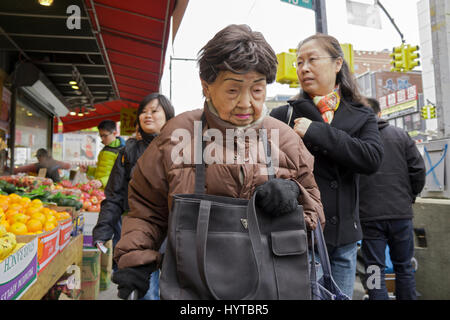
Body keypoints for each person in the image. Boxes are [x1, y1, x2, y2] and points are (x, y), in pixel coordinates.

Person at [111, 24, 325, 300]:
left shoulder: (285, 138)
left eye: (257, 90)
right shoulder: (178, 134)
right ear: (206, 86)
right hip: (194, 287)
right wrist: (135, 259)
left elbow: (315, 214)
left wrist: (295, 194)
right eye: (233, 91)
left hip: (273, 287)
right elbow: (146, 209)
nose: (246, 103)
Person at [270, 33, 384, 298]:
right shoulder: (283, 115)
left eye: (312, 60)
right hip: (301, 236)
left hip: (345, 239)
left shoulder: (362, 113)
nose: (303, 68)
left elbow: (371, 159)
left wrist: (317, 132)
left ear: (337, 64)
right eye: (299, 62)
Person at [92, 92, 175, 300]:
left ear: (168, 116)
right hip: (139, 232)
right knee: (147, 293)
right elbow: (114, 196)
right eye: (143, 112)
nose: (147, 115)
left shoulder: (182, 150)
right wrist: (103, 229)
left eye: (154, 111)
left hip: (176, 231)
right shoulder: (127, 153)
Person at [359, 97, 425, 300]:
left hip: (368, 215)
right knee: (404, 266)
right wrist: (409, 197)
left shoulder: (353, 140)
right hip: (400, 213)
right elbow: (418, 171)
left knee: (374, 270)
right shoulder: (400, 135)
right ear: (379, 114)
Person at [80, 120, 125, 188]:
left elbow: (120, 175)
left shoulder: (122, 151)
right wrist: (88, 170)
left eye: (105, 136)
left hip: (113, 193)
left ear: (114, 133)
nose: (102, 139)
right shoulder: (104, 150)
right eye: (101, 136)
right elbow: (100, 171)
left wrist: (102, 181)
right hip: (100, 191)